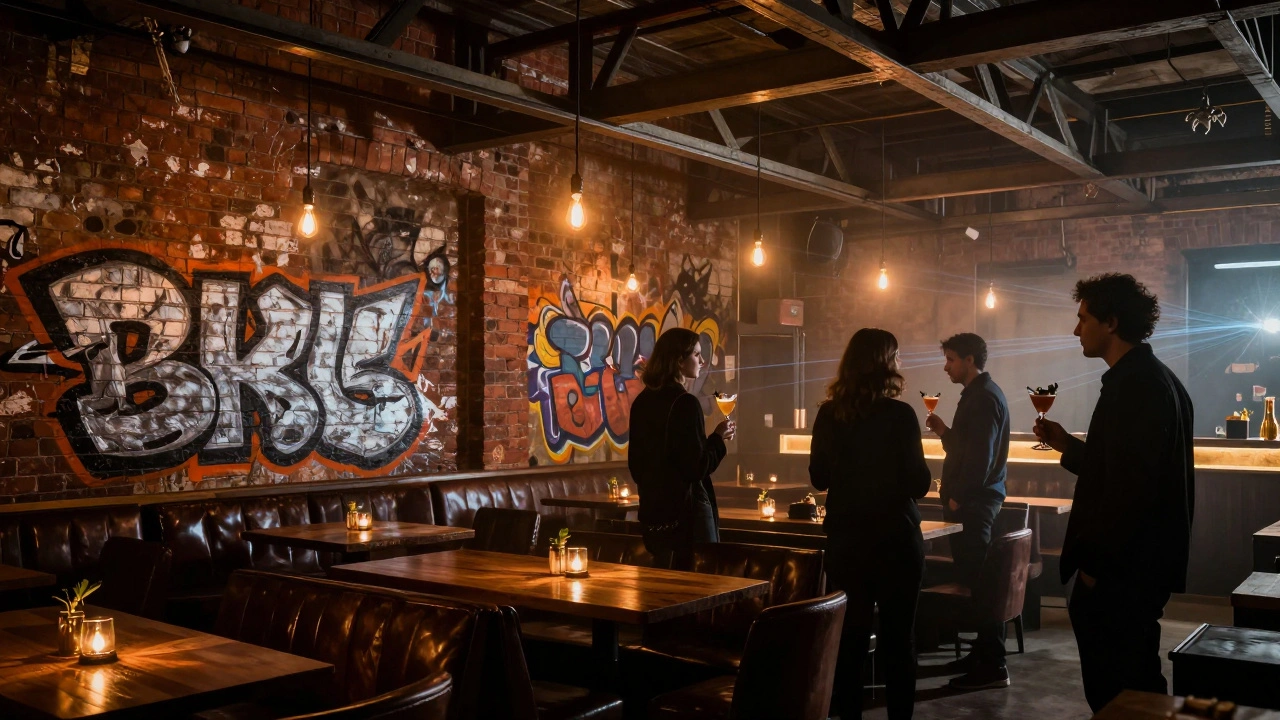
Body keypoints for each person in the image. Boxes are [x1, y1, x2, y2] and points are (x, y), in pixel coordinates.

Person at [1033, 273, 1194, 713]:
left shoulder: (1136, 387)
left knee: (1121, 693)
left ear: (1111, 321)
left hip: (1123, 572)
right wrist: (1067, 444)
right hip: (1139, 567)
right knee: (1134, 685)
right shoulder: (1155, 379)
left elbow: (1130, 491)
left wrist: (1094, 570)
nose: (1075, 328)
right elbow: (1120, 469)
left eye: (1083, 318)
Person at [811, 328, 932, 720]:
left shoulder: (829, 414)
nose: (900, 362)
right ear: (885, 364)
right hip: (897, 540)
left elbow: (818, 477)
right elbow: (919, 483)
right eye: (896, 355)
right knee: (899, 641)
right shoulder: (901, 415)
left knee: (850, 641)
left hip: (848, 541)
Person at [925, 333, 1012, 690]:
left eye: (950, 359)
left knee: (981, 585)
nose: (945, 366)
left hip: (974, 505)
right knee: (976, 583)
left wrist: (958, 497)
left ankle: (991, 665)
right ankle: (982, 654)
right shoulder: (980, 395)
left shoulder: (983, 398)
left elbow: (981, 458)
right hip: (975, 501)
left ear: (970, 359)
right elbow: (966, 448)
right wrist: (945, 431)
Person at [628, 328, 734, 569]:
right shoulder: (686, 402)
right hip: (686, 519)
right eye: (697, 355)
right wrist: (718, 439)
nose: (702, 361)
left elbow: (637, 465)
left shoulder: (642, 402)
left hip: (653, 517)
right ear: (678, 360)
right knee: (700, 588)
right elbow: (696, 467)